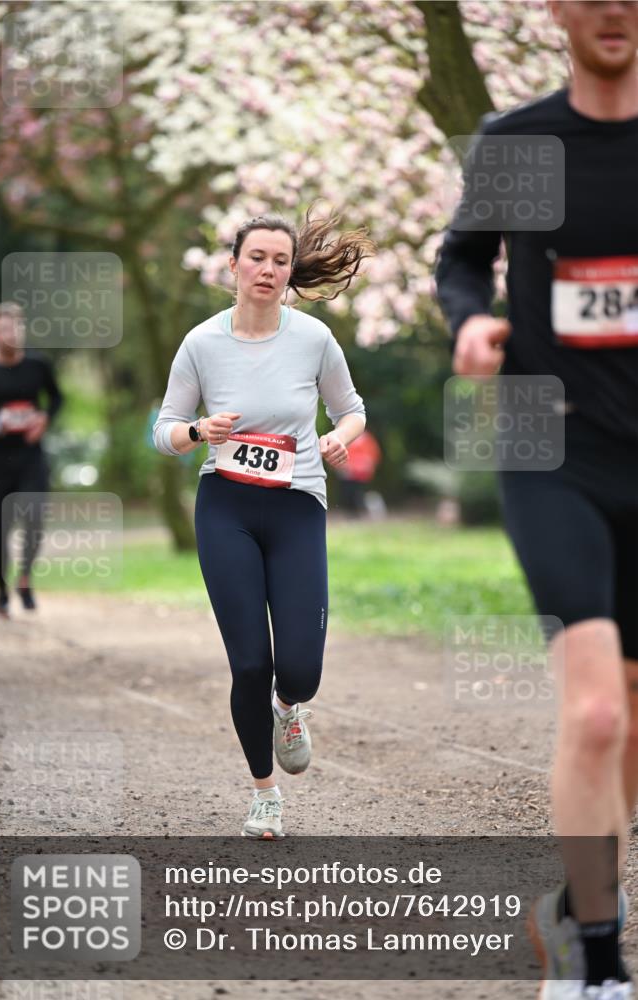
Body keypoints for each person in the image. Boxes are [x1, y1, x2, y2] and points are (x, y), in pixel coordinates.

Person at [436, 2, 637, 997]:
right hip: (548, 444)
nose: (613, 9)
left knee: (632, 714)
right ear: (556, 10)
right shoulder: (520, 143)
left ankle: (582, 894)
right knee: (595, 712)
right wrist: (471, 323)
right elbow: (462, 259)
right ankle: (595, 961)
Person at [153, 208, 373, 838]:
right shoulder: (201, 343)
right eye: (257, 258)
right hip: (225, 504)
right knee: (249, 662)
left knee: (300, 668)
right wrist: (196, 431)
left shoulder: (313, 339)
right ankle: (264, 794)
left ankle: (288, 708)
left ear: (290, 271)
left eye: (281, 260)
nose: (269, 270)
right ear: (234, 264)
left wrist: (340, 439)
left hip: (298, 504)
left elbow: (352, 411)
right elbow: (163, 430)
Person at [0, 302, 63, 618]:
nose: (12, 333)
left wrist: (43, 420)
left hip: (30, 456)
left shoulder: (38, 364)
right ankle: (1, 593)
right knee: (0, 529)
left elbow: (56, 397)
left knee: (34, 519)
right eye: (4, 328)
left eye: (16, 327)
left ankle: (24, 580)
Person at [337, 428, 382, 516]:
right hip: (349, 472)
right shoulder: (346, 437)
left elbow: (374, 455)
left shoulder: (366, 438)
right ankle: (351, 513)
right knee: (348, 493)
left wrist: (368, 465)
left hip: (362, 473)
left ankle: (362, 512)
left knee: (359, 494)